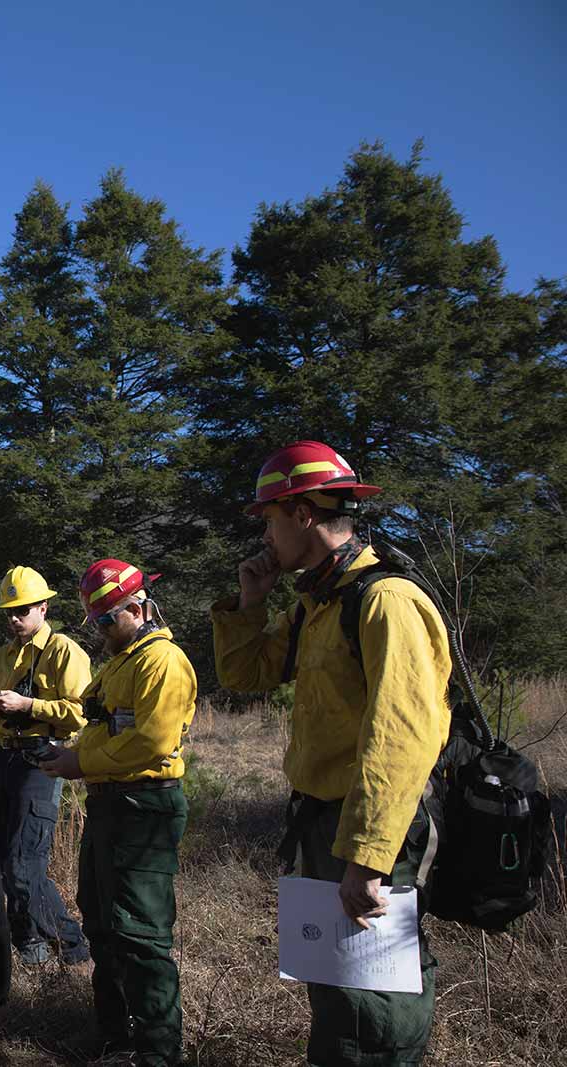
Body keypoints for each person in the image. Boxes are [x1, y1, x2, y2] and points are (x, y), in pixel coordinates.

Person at [210, 441, 451, 1066]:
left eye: (269, 518)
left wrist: (368, 858)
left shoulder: (385, 601)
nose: (265, 533)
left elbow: (403, 738)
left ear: (303, 514)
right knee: (338, 992)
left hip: (371, 829)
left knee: (374, 1006)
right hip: (324, 821)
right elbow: (246, 676)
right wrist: (250, 603)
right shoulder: (320, 600)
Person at [41, 559, 196, 1067]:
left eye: (108, 620)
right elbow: (98, 717)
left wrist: (79, 762)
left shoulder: (163, 662)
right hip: (108, 805)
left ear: (137, 608)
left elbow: (152, 741)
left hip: (144, 807)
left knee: (140, 932)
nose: (101, 630)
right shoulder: (121, 661)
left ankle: (156, 1051)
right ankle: (114, 1037)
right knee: (102, 924)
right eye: (96, 622)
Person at [0, 565, 91, 965]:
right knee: (1, 858)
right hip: (2, 755)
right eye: (9, 610)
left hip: (40, 761)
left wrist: (28, 706)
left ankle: (73, 948)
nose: (14, 617)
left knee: (25, 865)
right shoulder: (0, 656)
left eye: (22, 609)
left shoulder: (63, 651)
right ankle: (30, 945)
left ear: (44, 607)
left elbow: (79, 714)